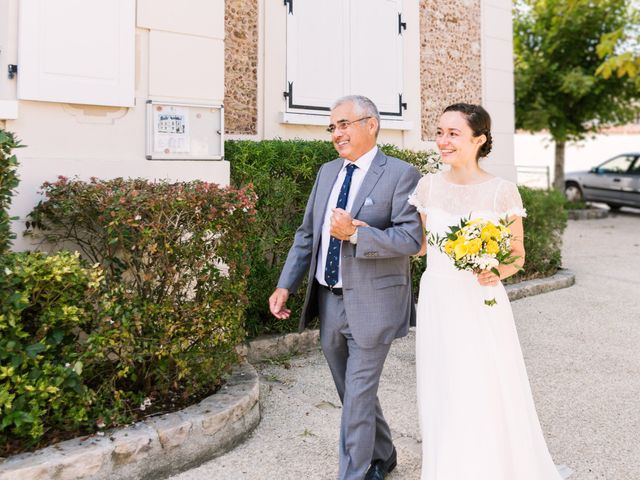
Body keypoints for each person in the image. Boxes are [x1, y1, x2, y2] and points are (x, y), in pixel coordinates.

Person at [409, 103, 571, 479]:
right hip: (437, 296)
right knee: (443, 383)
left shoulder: (502, 191)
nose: (443, 141)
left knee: (484, 384)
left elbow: (517, 256)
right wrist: (362, 234)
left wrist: (496, 270)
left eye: (453, 134)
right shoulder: (427, 185)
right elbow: (419, 245)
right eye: (439, 132)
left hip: (480, 302)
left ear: (479, 140)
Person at [269, 95, 423, 480]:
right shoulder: (327, 172)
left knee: (357, 394)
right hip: (329, 301)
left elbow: (410, 239)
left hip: (375, 303)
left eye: (344, 125)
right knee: (351, 391)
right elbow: (307, 234)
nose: (336, 133)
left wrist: (355, 235)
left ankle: (353, 474)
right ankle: (383, 453)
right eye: (332, 127)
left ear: (371, 124)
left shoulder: (402, 174)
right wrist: (286, 284)